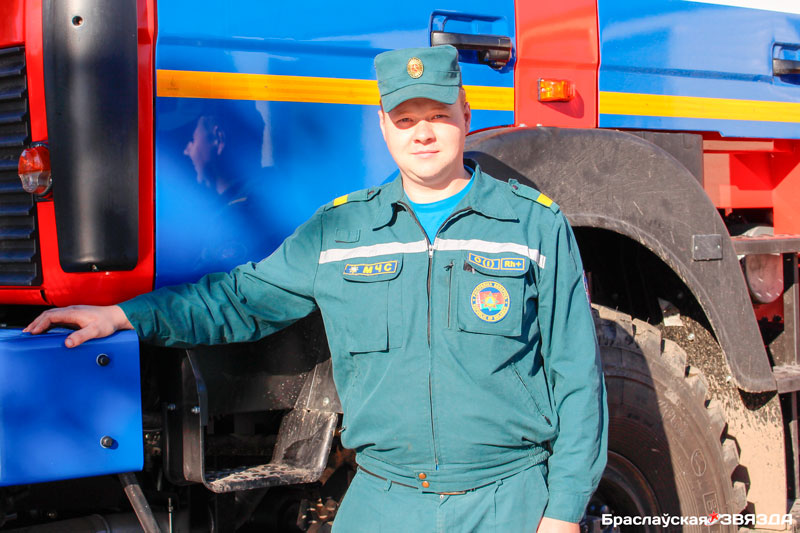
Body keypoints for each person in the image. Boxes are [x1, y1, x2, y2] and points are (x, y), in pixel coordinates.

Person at [25, 45, 607, 532]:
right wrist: (125, 315)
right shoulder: (341, 230)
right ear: (383, 126)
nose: (423, 134)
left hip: (506, 499)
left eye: (438, 115)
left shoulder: (531, 224)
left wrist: (563, 511)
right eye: (405, 120)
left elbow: (577, 376)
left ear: (466, 115)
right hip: (384, 502)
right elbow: (239, 300)